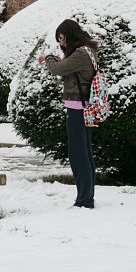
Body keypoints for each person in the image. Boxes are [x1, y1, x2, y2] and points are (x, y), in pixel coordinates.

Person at [38, 19, 97, 209]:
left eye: (62, 38)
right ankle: (86, 196)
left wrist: (48, 58)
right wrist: (55, 59)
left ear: (71, 35)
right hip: (81, 106)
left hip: (78, 107)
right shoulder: (86, 51)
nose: (61, 43)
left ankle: (84, 200)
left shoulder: (81, 54)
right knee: (84, 152)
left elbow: (57, 69)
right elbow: (66, 69)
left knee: (78, 154)